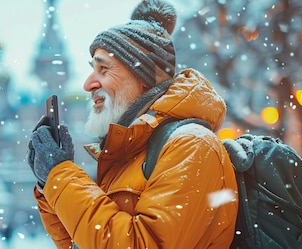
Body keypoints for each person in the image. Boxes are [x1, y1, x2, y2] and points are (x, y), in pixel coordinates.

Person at [26, 0, 239, 248]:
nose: (88, 84)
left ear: (144, 78)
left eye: (103, 69)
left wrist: (61, 177)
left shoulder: (191, 146)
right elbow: (86, 242)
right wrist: (49, 183)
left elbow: (138, 243)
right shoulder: (131, 152)